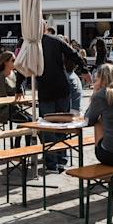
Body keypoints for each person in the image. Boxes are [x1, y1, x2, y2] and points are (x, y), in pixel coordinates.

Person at [37, 32, 90, 171]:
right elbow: (74, 54)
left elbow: (22, 65)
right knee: (61, 126)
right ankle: (60, 160)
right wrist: (84, 70)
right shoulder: (52, 40)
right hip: (60, 89)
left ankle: (53, 163)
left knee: (49, 128)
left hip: (48, 90)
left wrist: (19, 86)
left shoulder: (31, 42)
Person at [0, 52, 29, 125]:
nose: (15, 62)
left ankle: (20, 135)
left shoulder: (14, 73)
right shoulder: (0, 76)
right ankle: (18, 135)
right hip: (2, 109)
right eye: (13, 60)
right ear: (5, 62)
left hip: (14, 108)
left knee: (32, 120)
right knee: (27, 121)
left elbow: (18, 91)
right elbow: (3, 96)